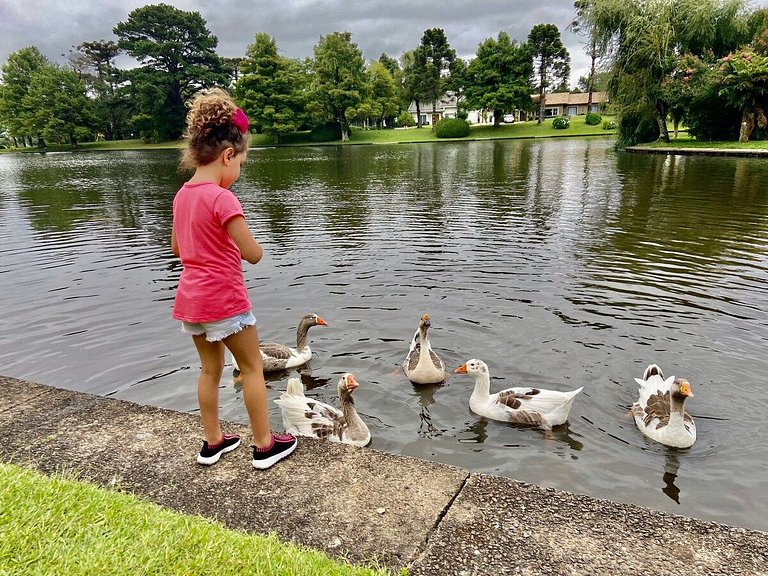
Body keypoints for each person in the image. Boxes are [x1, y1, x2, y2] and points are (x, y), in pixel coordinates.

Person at [171, 88, 297, 469]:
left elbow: (178, 249)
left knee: (210, 370)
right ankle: (264, 445)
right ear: (228, 156)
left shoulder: (182, 195)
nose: (238, 173)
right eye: (240, 164)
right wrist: (233, 236)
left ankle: (213, 443)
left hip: (190, 301)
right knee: (252, 368)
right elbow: (253, 253)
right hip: (225, 300)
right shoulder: (222, 198)